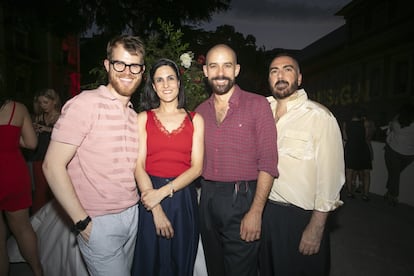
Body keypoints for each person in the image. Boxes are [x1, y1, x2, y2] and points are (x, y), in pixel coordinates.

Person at [42, 34, 145, 276]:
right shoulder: (84, 104)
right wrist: (82, 222)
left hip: (132, 215)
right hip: (98, 221)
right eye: (120, 63)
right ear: (108, 65)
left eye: (135, 66)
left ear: (142, 71)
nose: (127, 71)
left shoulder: (133, 114)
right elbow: (52, 165)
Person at [195, 44, 278, 276]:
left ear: (237, 69)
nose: (220, 72)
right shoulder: (200, 112)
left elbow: (269, 162)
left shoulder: (258, 105)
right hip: (208, 198)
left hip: (242, 198)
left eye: (227, 65)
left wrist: (256, 211)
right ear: (205, 72)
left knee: (241, 270)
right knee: (215, 267)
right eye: (214, 66)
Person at [260, 53, 345, 276]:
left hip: (299, 218)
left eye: (287, 69)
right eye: (274, 71)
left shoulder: (319, 117)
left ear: (299, 78)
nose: (280, 75)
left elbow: (331, 178)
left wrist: (316, 227)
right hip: (264, 213)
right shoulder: (261, 113)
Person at [131, 58, 204, 276]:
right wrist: (155, 207)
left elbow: (197, 168)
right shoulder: (143, 118)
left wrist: (161, 194)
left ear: (179, 82)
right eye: (159, 80)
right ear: (153, 86)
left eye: (170, 78)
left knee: (180, 262)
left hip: (183, 199)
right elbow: (138, 166)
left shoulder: (195, 119)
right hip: (148, 194)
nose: (166, 84)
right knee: (149, 262)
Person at [0, 97, 43, 276]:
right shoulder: (17, 108)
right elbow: (32, 143)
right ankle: (37, 272)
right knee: (23, 228)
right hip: (12, 174)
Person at [31, 88, 61, 213]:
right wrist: (34, 131)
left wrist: (47, 130)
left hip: (55, 159)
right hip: (39, 157)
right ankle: (37, 221)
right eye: (40, 103)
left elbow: (65, 135)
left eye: (45, 102)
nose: (42, 106)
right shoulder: (39, 118)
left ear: (54, 101)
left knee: (55, 191)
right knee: (40, 191)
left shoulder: (62, 117)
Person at [384, 103, 414, 206]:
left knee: (394, 174)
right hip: (409, 155)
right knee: (394, 174)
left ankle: (393, 197)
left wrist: (397, 115)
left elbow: (390, 126)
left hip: (393, 151)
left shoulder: (396, 124)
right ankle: (389, 193)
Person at [342, 107, 372, 201]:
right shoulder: (365, 123)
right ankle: (365, 194)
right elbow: (367, 137)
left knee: (349, 171)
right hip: (362, 148)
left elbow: (345, 138)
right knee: (366, 172)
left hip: (351, 148)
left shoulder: (346, 124)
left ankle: (350, 192)